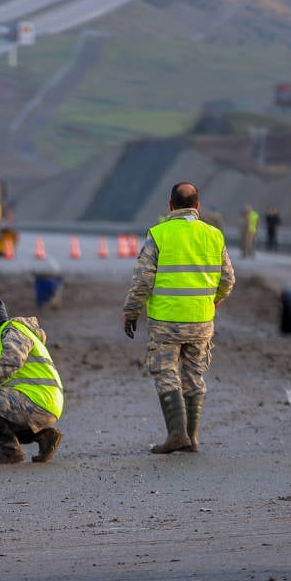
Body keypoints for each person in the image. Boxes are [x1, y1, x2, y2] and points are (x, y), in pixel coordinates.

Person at [123, 182, 235, 454]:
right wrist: (214, 301)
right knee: (194, 374)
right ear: (197, 206)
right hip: (201, 320)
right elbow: (228, 279)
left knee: (165, 373)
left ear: (170, 206)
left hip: (166, 322)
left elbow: (142, 281)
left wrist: (131, 311)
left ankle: (176, 435)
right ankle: (192, 438)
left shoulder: (159, 234)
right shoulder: (214, 235)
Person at [0, 296, 64, 465]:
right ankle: (44, 436)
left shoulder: (12, 331)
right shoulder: (11, 336)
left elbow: (12, 361)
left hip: (38, 400)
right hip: (44, 402)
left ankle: (10, 450)